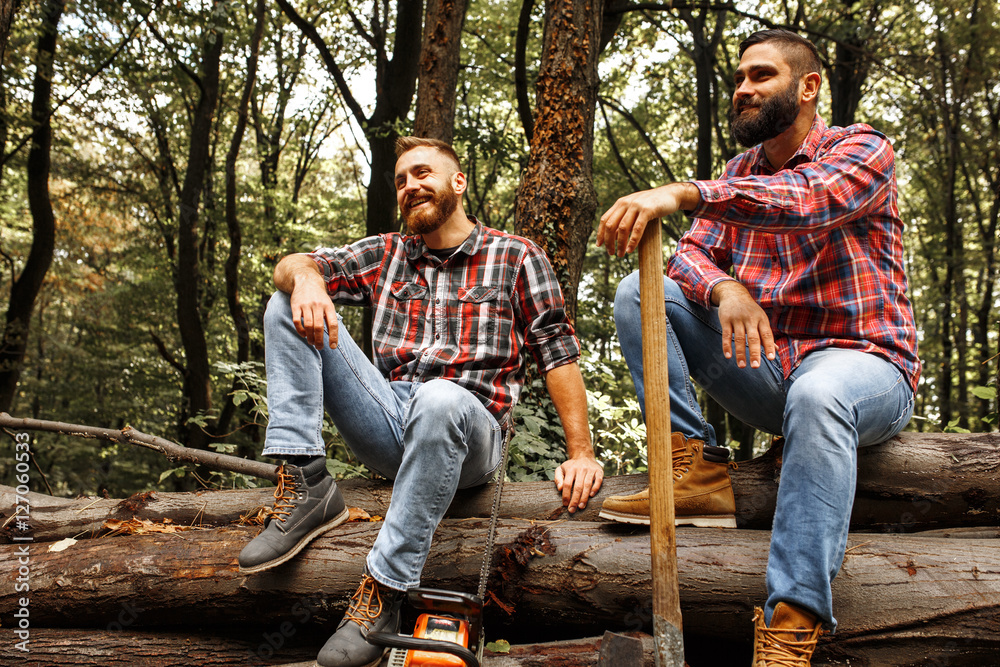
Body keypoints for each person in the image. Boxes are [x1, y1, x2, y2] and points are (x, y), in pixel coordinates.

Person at [595, 29, 919, 666]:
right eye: (740, 77)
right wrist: (723, 289)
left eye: (761, 75)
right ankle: (699, 468)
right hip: (770, 369)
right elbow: (690, 254)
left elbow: (809, 202)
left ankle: (792, 623)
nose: (743, 88)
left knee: (821, 393)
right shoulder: (740, 171)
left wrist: (685, 192)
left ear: (808, 87)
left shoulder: (862, 150)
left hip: (865, 368)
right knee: (641, 290)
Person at [238, 136, 604, 667]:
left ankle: (381, 595)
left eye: (423, 173)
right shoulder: (387, 253)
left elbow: (558, 351)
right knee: (285, 301)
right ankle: (305, 482)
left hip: (472, 431)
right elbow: (295, 262)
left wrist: (581, 451)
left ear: (459, 182)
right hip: (390, 417)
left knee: (439, 398)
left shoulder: (517, 256)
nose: (411, 187)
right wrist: (308, 280)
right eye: (401, 181)